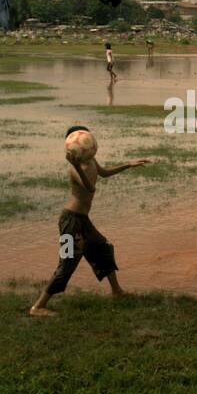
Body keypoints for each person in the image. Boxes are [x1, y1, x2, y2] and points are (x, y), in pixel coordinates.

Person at [29, 126, 149, 316]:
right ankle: (38, 307)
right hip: (70, 222)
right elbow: (90, 188)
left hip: (83, 220)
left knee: (103, 247)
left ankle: (117, 292)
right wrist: (76, 165)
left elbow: (104, 173)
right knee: (67, 263)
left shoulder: (91, 160)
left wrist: (128, 164)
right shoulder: (75, 169)